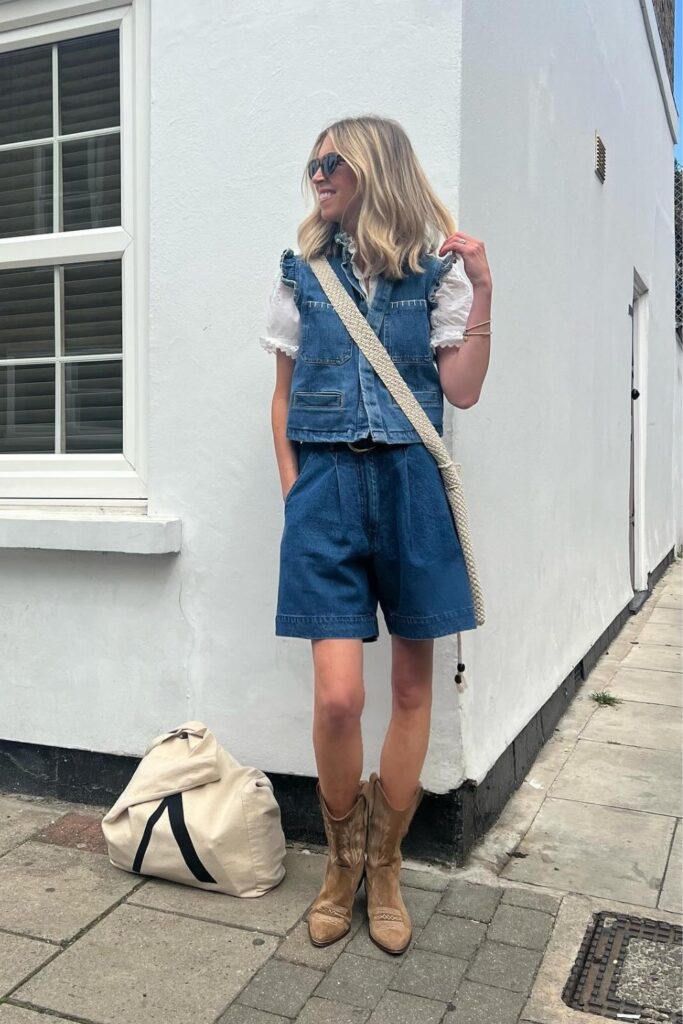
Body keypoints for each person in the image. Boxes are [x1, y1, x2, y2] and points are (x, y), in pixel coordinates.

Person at [259, 115, 492, 955]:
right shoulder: (302, 273)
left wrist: (483, 291)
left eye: (332, 162)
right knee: (337, 698)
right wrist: (296, 499)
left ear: (372, 169)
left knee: (409, 690)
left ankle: (384, 864)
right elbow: (282, 400)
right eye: (312, 162)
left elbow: (458, 390)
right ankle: (339, 859)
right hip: (324, 490)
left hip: (409, 487)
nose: (317, 175)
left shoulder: (435, 277)